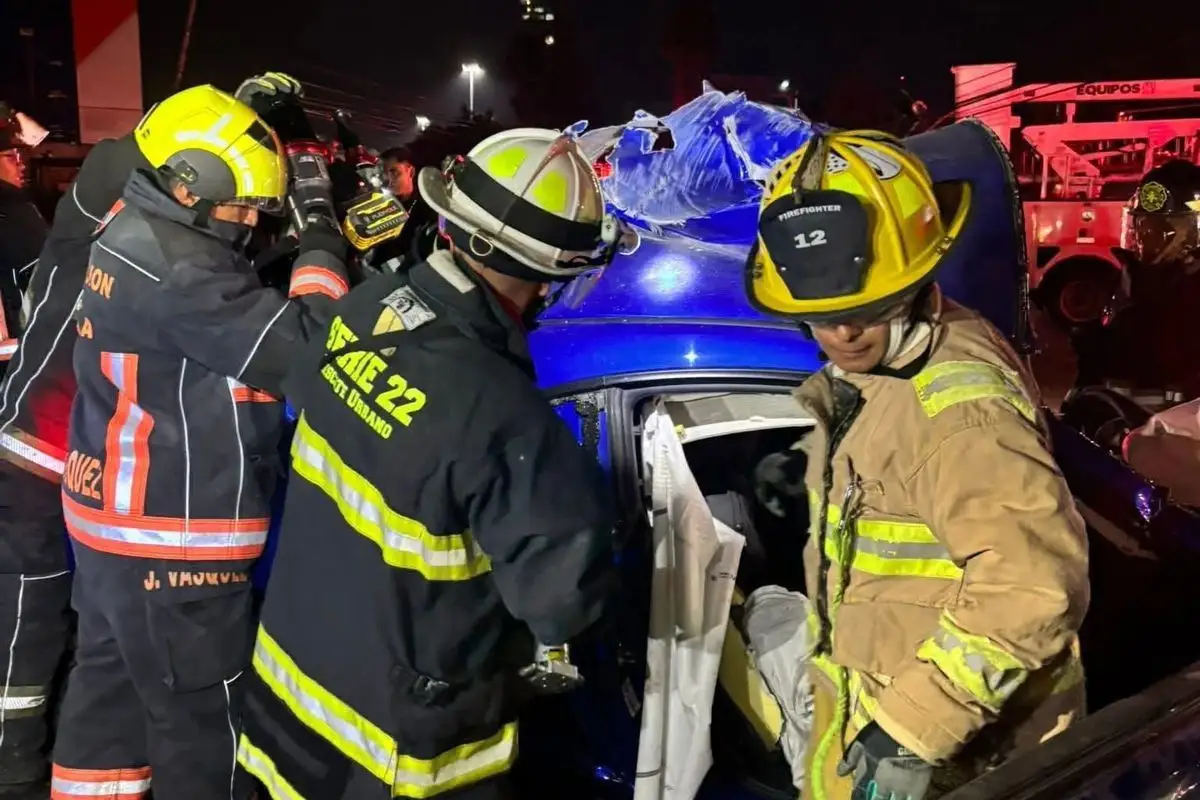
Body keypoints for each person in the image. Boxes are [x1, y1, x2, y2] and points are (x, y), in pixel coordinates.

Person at [235, 128, 621, 800]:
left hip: (288, 699)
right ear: (549, 278)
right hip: (397, 752)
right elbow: (561, 601)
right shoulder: (506, 416)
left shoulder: (362, 311)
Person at [749, 128, 1089, 800]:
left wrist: (913, 726)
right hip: (897, 702)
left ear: (916, 278)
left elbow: (1034, 589)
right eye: (820, 316)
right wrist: (815, 462)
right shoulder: (909, 351)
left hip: (964, 755)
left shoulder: (962, 414)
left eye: (865, 309)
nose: (843, 334)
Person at [0, 73, 301, 797]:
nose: (250, 219)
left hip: (85, 476)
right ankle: (11, 770)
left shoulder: (114, 217)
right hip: (74, 469)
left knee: (102, 689)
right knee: (37, 659)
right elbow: (290, 350)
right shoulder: (154, 242)